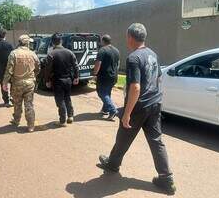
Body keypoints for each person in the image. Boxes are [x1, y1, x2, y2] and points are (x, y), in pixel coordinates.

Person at [98, 23, 176, 195]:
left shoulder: (134, 58)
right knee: (156, 140)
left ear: (130, 38)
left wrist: (126, 114)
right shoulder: (153, 54)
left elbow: (135, 88)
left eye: (127, 37)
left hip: (139, 106)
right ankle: (166, 178)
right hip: (155, 103)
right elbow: (158, 79)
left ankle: (113, 164)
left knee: (123, 136)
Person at [2, 34, 40, 133]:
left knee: (17, 104)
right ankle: (31, 126)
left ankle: (16, 120)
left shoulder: (13, 54)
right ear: (27, 43)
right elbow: (38, 68)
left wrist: (5, 82)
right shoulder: (33, 54)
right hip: (30, 83)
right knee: (29, 104)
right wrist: (33, 76)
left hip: (17, 83)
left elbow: (9, 70)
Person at [45, 33, 79, 127]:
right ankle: (70, 116)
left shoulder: (51, 54)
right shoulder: (69, 52)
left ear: (52, 42)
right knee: (67, 98)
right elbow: (75, 65)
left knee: (60, 100)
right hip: (68, 79)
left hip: (57, 80)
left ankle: (62, 120)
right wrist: (76, 77)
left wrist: (47, 80)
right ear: (61, 41)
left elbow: (47, 69)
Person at [93, 34, 120, 121]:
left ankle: (112, 110)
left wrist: (95, 74)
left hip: (104, 76)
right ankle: (105, 110)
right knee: (107, 93)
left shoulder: (102, 50)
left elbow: (98, 63)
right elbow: (118, 64)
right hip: (114, 76)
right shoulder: (116, 50)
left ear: (103, 41)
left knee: (101, 93)